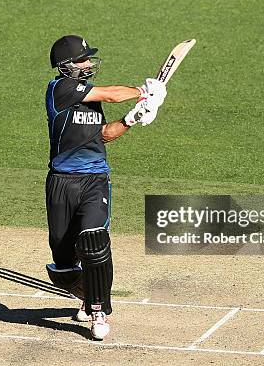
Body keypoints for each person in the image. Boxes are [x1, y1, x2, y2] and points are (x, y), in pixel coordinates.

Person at [44, 35, 166, 340]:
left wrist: (132, 118)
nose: (88, 64)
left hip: (95, 179)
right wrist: (142, 91)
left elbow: (104, 135)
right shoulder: (60, 89)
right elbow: (112, 94)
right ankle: (87, 294)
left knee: (94, 241)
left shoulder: (89, 97)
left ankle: (98, 309)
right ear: (67, 66)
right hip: (61, 182)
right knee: (62, 269)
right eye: (83, 60)